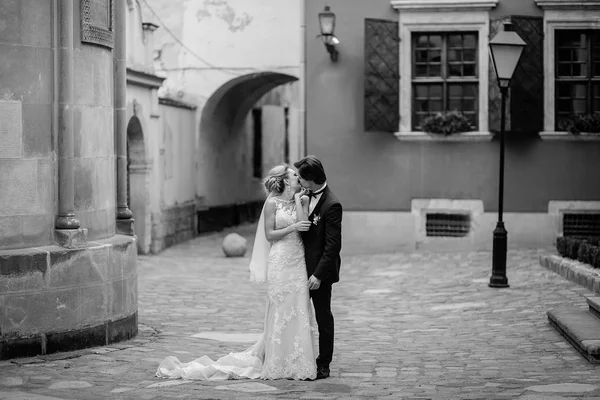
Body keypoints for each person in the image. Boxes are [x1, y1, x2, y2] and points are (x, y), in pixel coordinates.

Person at [156, 164, 318, 381]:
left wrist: (298, 200)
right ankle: (277, 361)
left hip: (297, 260)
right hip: (280, 259)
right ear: (286, 181)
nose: (298, 177)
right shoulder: (271, 203)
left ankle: (298, 361)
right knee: (280, 308)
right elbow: (269, 235)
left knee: (298, 307)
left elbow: (303, 223)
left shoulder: (301, 199)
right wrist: (291, 228)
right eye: (294, 175)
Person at [294, 155, 342, 380]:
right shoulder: (304, 196)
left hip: (319, 273)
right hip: (297, 267)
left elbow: (333, 246)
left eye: (301, 177)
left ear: (311, 179)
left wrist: (318, 275)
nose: (298, 181)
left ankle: (324, 363)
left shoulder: (332, 204)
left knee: (323, 316)